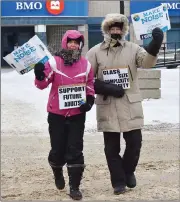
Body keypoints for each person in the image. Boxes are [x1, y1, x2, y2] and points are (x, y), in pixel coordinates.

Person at [86, 13, 164, 195]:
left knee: (135, 144)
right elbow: (87, 79)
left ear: (123, 30)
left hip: (130, 104)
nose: (115, 31)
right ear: (106, 30)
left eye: (118, 28)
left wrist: (155, 44)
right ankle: (118, 182)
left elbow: (147, 63)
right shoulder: (95, 51)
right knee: (111, 149)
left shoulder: (134, 48)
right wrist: (105, 87)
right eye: (112, 28)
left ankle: (128, 171)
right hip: (108, 105)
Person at [34, 30, 95, 200]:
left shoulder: (86, 64)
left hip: (77, 114)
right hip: (57, 115)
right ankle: (57, 172)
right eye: (71, 41)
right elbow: (43, 83)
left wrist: (89, 100)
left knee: (75, 149)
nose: (73, 45)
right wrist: (39, 74)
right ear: (65, 42)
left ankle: (74, 187)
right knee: (58, 150)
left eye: (77, 42)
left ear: (80, 45)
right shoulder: (54, 62)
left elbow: (89, 84)